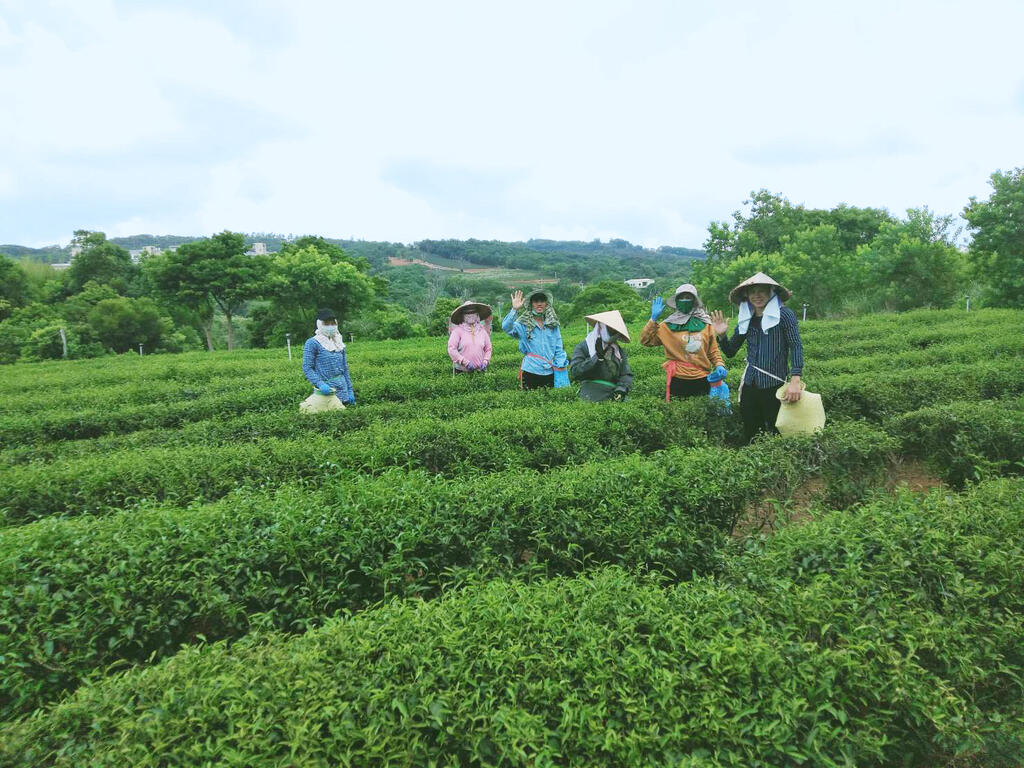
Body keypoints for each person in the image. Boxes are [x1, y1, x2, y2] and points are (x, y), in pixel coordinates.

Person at [709, 272, 804, 443]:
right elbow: (730, 351)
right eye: (752, 292)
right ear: (746, 295)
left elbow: (796, 346)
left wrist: (795, 380)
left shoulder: (784, 315)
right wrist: (722, 335)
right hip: (750, 385)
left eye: (762, 291)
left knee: (777, 431)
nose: (757, 296)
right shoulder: (747, 319)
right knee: (751, 431)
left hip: (773, 384)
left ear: (771, 292)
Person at [641, 283, 727, 402]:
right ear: (676, 302)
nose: (685, 301)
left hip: (702, 377)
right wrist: (653, 319)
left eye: (688, 297)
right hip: (678, 378)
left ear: (695, 301)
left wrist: (719, 364)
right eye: (681, 298)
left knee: (702, 410)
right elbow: (646, 341)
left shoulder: (706, 324)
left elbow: (713, 351)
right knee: (678, 410)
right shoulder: (667, 325)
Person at [502, 288, 569, 389]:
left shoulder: (553, 325)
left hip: (549, 370)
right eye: (536, 301)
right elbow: (506, 327)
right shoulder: (524, 324)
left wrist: (560, 365)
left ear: (546, 304)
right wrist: (514, 309)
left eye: (542, 301)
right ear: (531, 304)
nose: (539, 304)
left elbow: (559, 348)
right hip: (530, 370)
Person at [569, 310, 634, 402]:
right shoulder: (584, 347)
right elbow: (575, 372)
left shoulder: (618, 350)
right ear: (600, 327)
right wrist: (597, 359)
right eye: (610, 329)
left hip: (614, 393)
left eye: (615, 331)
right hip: (591, 393)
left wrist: (621, 389)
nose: (613, 334)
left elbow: (626, 373)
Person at [302, 308, 355, 405]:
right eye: (326, 324)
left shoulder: (338, 341)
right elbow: (307, 367)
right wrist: (320, 384)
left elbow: (345, 368)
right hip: (326, 391)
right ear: (320, 324)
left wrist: (350, 390)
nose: (330, 326)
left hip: (343, 390)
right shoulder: (313, 343)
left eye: (333, 323)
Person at [447, 300, 493, 374]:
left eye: (473, 312)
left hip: (480, 370)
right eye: (467, 313)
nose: (470, 315)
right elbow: (451, 349)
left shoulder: (482, 331)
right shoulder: (457, 331)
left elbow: (488, 349)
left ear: (477, 315)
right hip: (461, 370)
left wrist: (485, 361)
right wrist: (465, 362)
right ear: (463, 316)